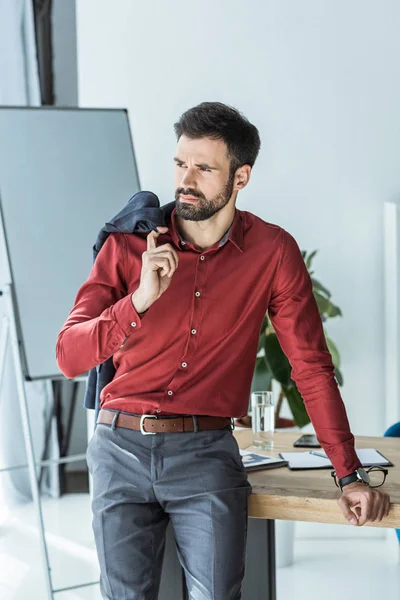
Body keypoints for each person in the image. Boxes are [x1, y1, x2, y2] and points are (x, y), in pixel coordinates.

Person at [56, 101, 390, 600]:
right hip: (118, 448)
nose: (185, 180)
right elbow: (68, 355)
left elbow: (311, 369)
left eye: (204, 168)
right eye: (179, 164)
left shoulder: (273, 253)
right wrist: (140, 299)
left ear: (241, 177)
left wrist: (349, 475)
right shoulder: (129, 246)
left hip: (205, 454)